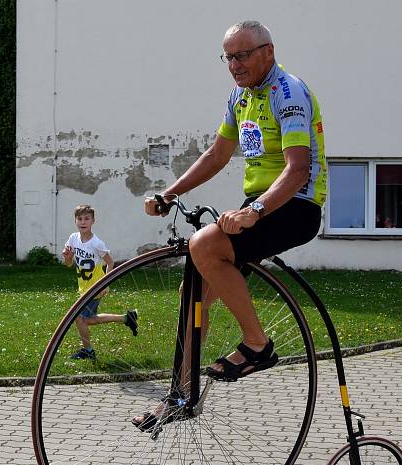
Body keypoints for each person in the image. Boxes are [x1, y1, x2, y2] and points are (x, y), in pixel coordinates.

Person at [132, 20, 326, 430]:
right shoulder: (241, 97)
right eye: (228, 57)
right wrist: (169, 193)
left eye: (243, 55)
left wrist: (254, 212)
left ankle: (258, 345)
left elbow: (297, 169)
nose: (234, 64)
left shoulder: (287, 93)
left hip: (294, 204)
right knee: (193, 292)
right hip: (260, 203)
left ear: (268, 52)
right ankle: (181, 395)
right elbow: (216, 155)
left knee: (204, 245)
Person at [62, 204, 138, 360]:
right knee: (89, 319)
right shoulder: (73, 238)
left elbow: (110, 263)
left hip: (96, 288)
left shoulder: (97, 243)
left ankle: (88, 351)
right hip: (83, 287)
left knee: (79, 318)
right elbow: (68, 264)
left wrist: (105, 283)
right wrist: (68, 256)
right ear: (75, 221)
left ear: (93, 221)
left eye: (87, 218)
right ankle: (126, 318)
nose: (83, 222)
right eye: (80, 218)